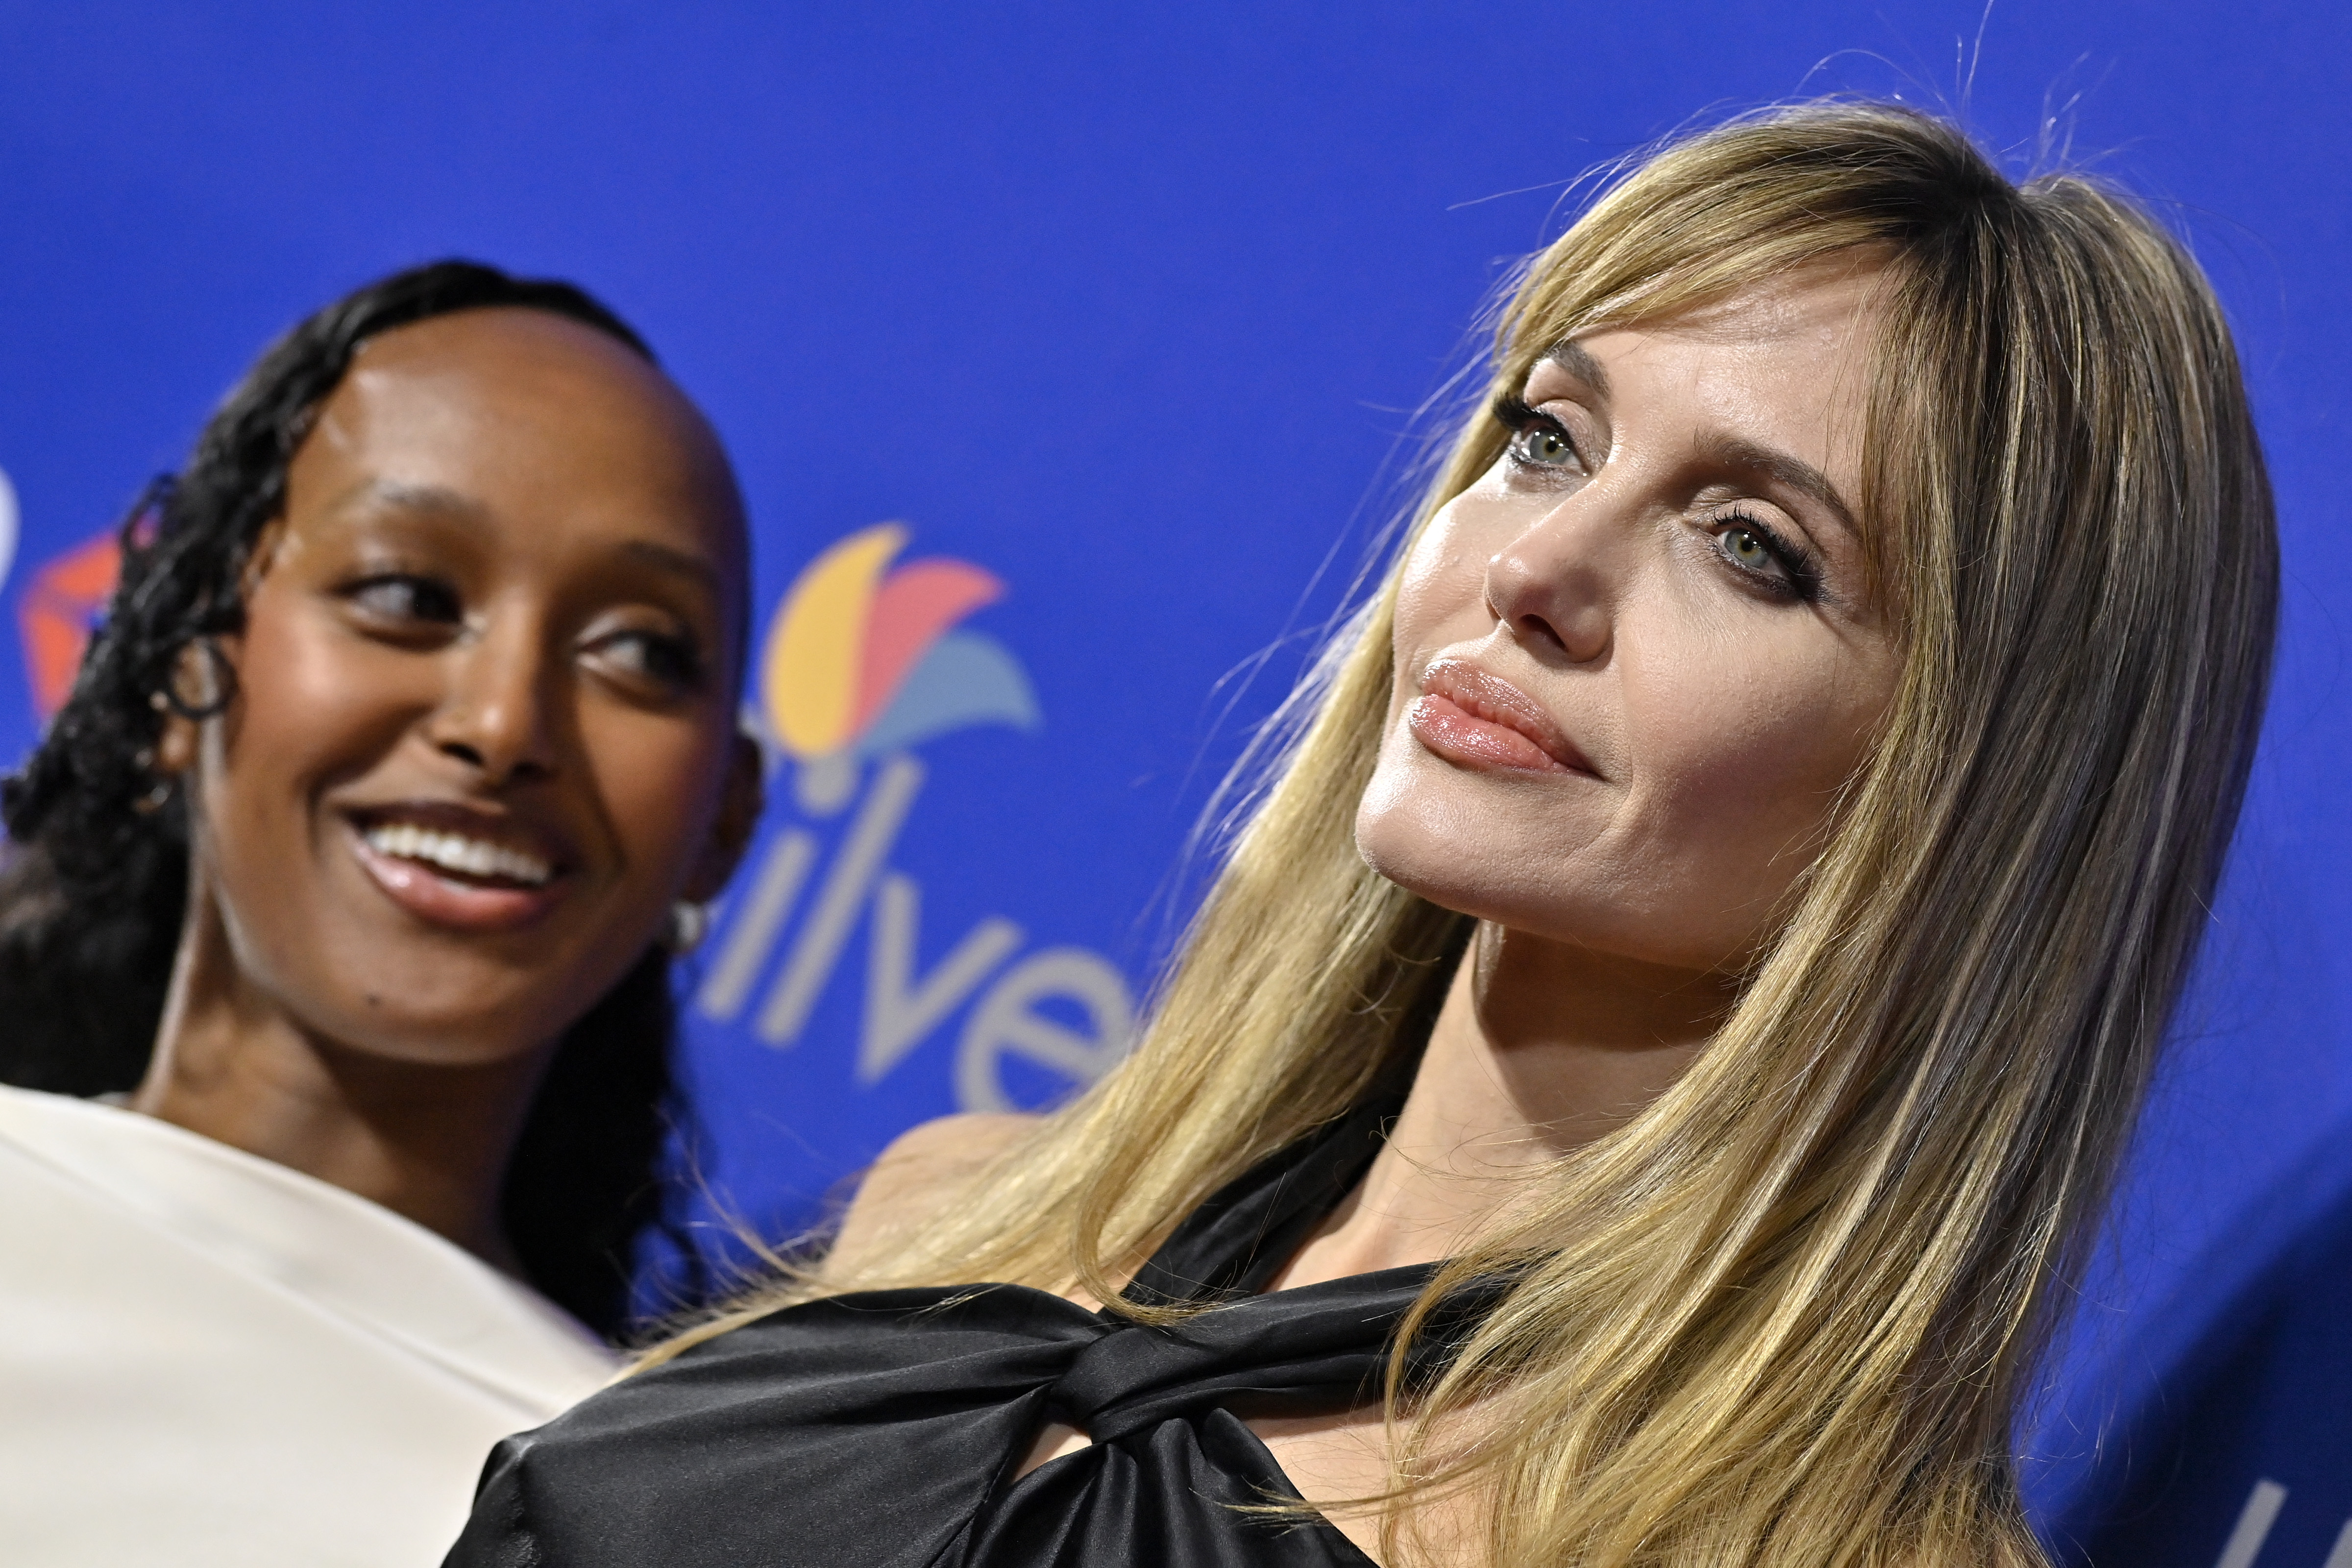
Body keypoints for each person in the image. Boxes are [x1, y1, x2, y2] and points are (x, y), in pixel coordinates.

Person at [442, 101, 2278, 1568]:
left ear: (1963, 799)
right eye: (1549, 438)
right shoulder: (949, 1211)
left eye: (1752, 549)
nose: (1536, 569)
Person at [0, 261, 761, 1566]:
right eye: (408, 595)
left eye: (640, 649)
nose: (503, 723)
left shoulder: (658, 1506)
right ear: (190, 656)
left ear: (726, 822)